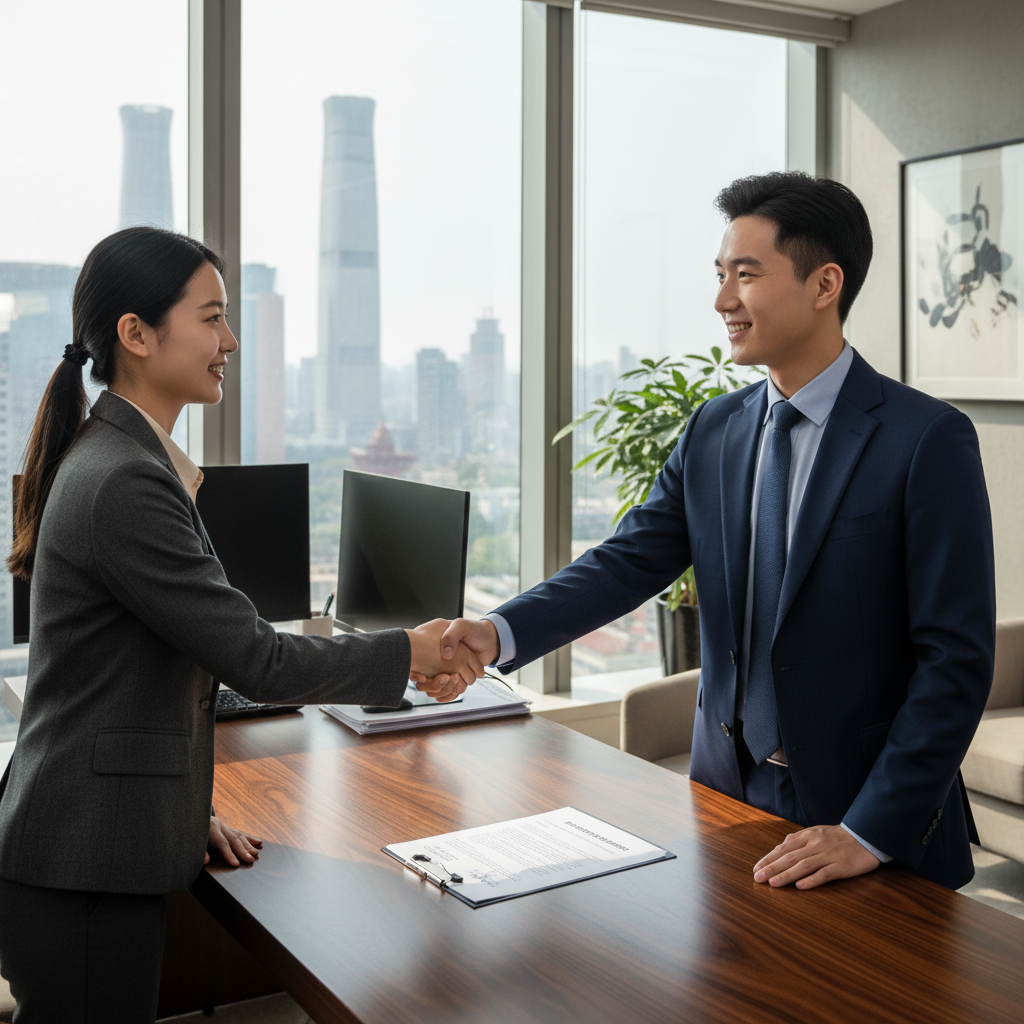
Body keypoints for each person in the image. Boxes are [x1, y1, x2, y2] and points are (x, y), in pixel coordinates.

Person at [425, 171, 996, 892]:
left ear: (825, 285)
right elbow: (627, 562)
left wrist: (868, 831)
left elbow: (956, 659)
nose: (723, 299)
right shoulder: (715, 430)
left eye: (747, 275)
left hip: (870, 822)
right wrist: (499, 634)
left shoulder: (926, 440)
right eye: (721, 274)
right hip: (725, 797)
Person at [0, 227, 481, 1022]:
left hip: (91, 839)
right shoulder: (124, 480)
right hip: (81, 858)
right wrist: (411, 651)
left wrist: (183, 808)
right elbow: (255, 658)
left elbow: (137, 670)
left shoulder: (124, 459)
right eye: (212, 317)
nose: (229, 341)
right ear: (137, 335)